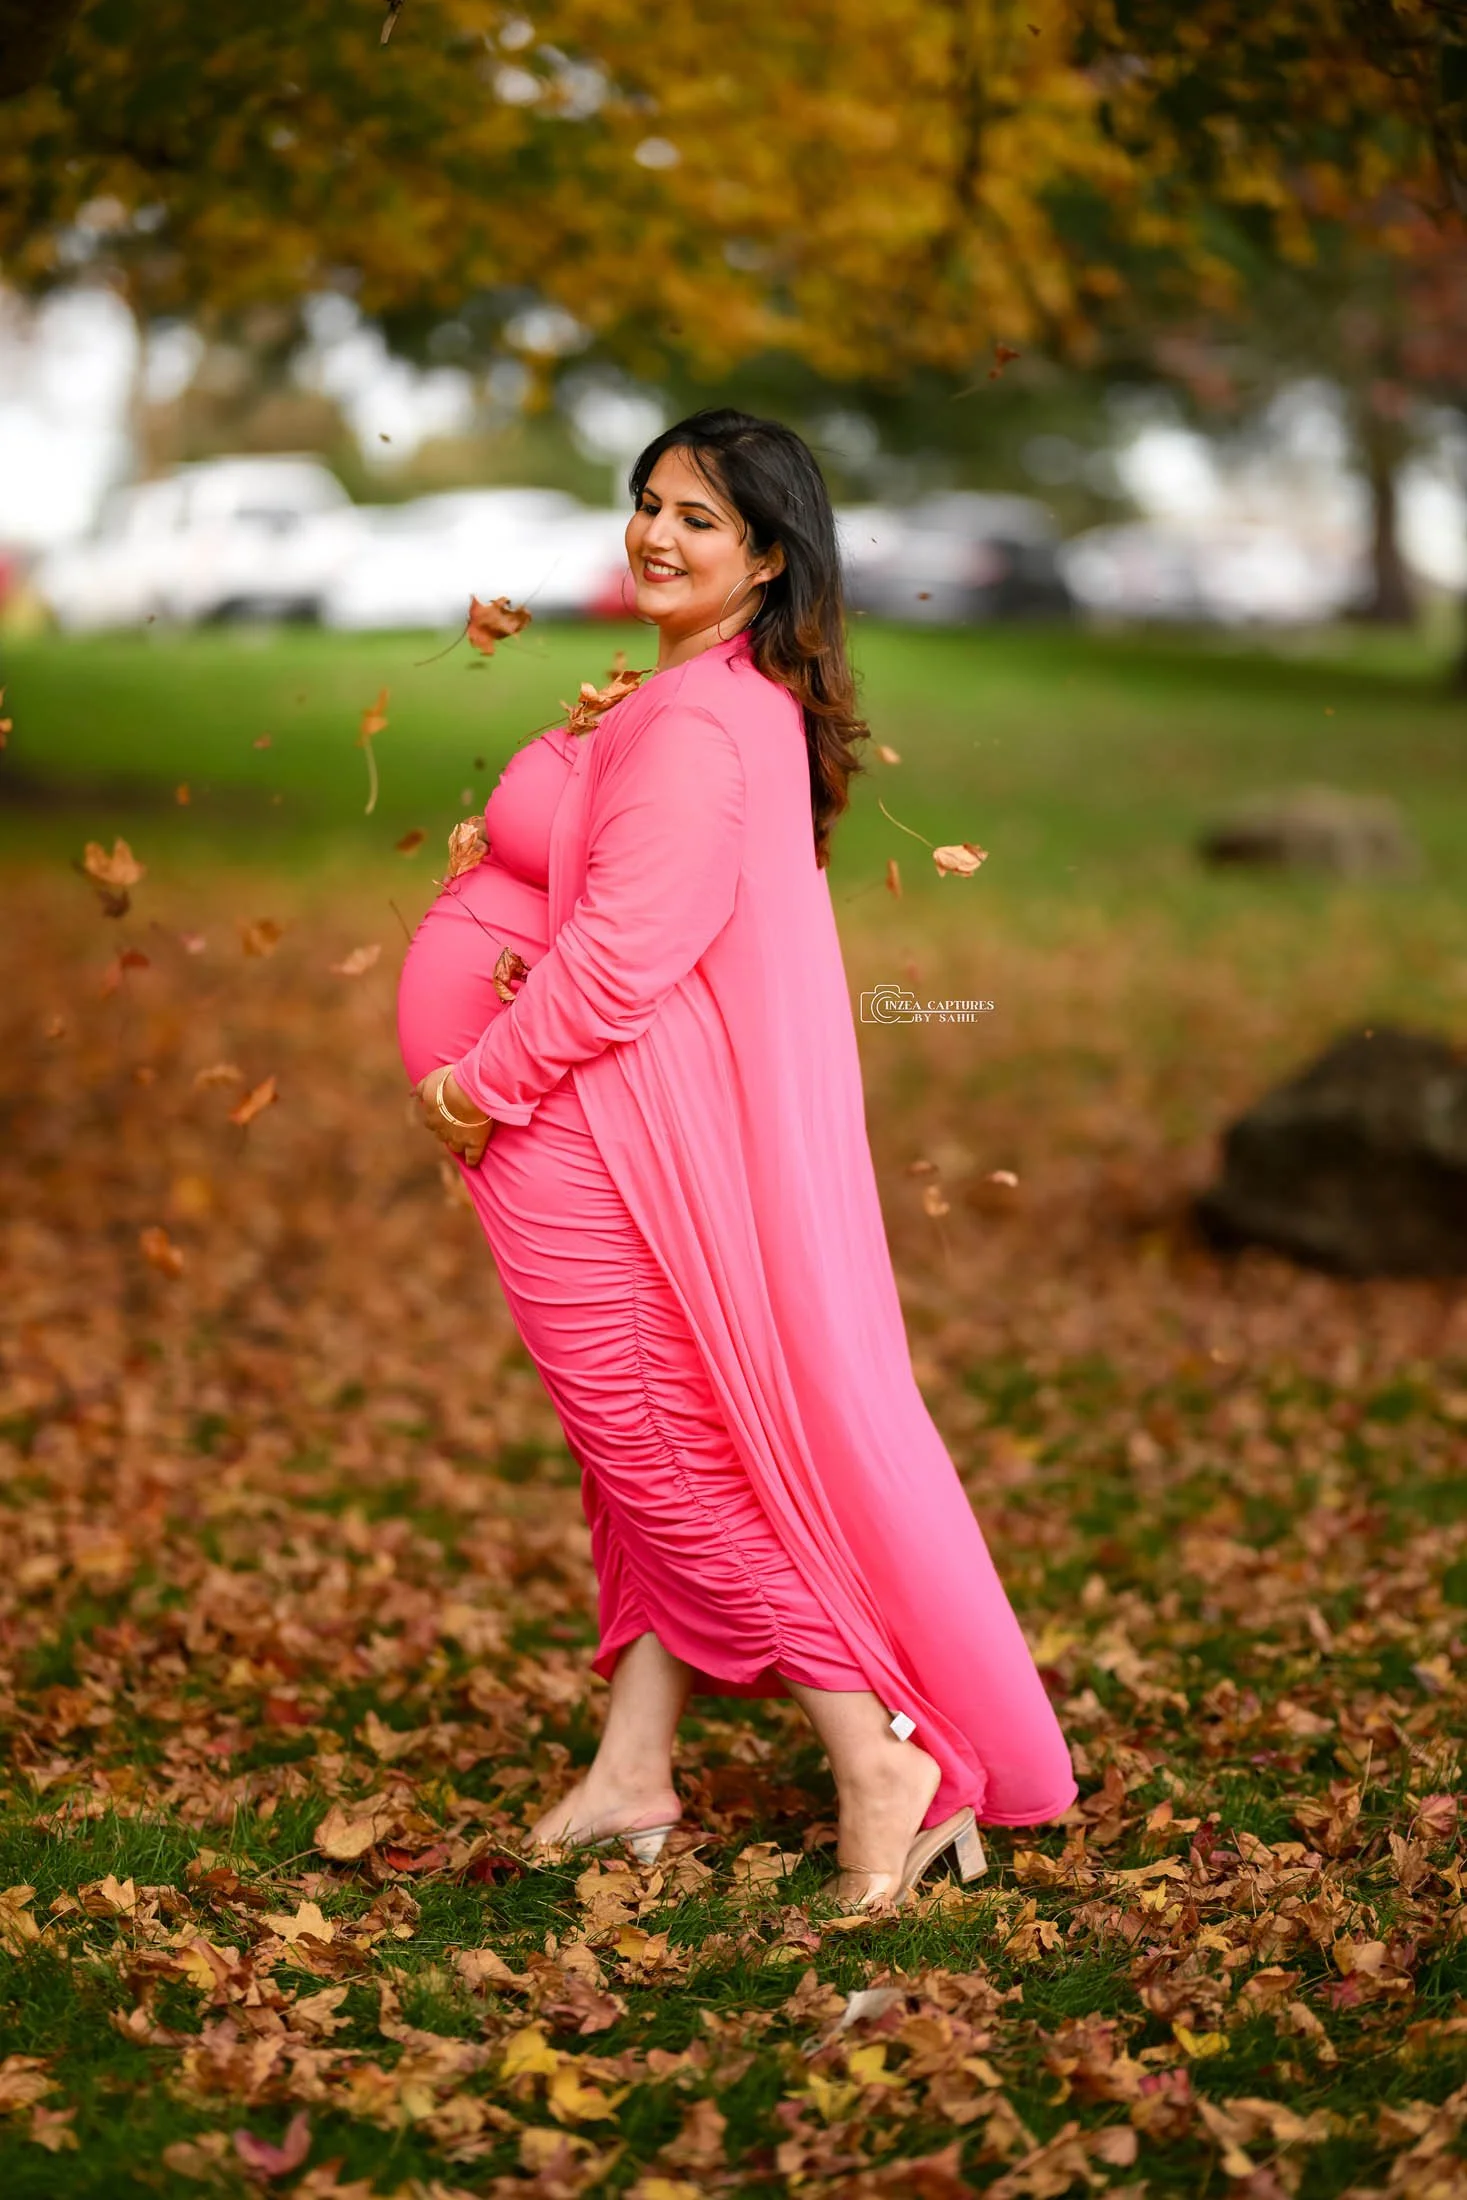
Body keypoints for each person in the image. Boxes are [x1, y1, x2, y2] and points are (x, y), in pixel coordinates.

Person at [397, 409, 1078, 1912]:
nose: (655, 533)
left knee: (663, 1450)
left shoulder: (704, 723)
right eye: (648, 502)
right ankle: (633, 1768)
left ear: (769, 558)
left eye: (698, 518)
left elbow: (623, 960)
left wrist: (472, 1088)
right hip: (587, 1124)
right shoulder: (698, 695)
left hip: (597, 1134)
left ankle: (878, 1756)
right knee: (632, 1454)